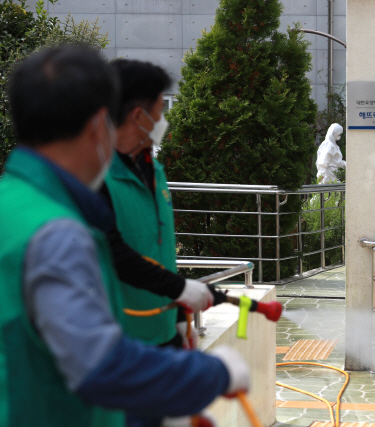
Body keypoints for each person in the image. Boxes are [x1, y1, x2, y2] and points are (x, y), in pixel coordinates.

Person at [0, 45, 249, 427]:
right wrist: (214, 372)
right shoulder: (58, 233)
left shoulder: (12, 203)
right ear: (101, 124)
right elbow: (101, 366)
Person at [100, 59, 217, 350]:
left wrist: (178, 316)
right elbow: (113, 252)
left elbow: (160, 250)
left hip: (165, 330)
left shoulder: (155, 171)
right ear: (139, 116)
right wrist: (181, 289)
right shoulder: (97, 178)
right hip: (123, 340)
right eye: (159, 111)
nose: (163, 119)